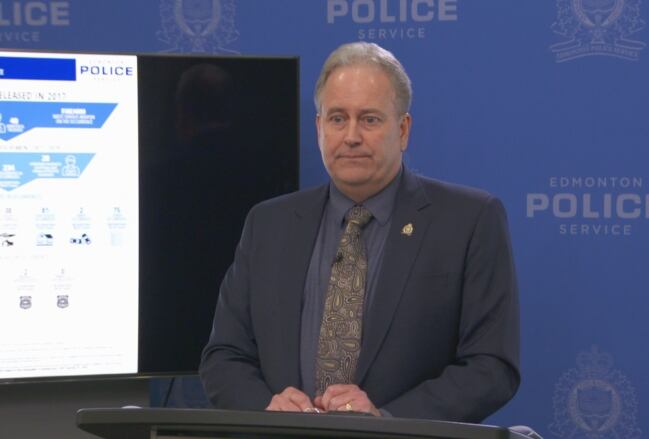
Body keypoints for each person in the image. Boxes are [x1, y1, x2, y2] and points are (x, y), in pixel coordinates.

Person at [199, 42, 520, 422]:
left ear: (402, 130)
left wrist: (387, 420)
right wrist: (267, 408)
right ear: (319, 128)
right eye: (337, 118)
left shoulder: (469, 220)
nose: (351, 136)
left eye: (369, 119)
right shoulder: (268, 224)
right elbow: (223, 356)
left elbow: (491, 367)